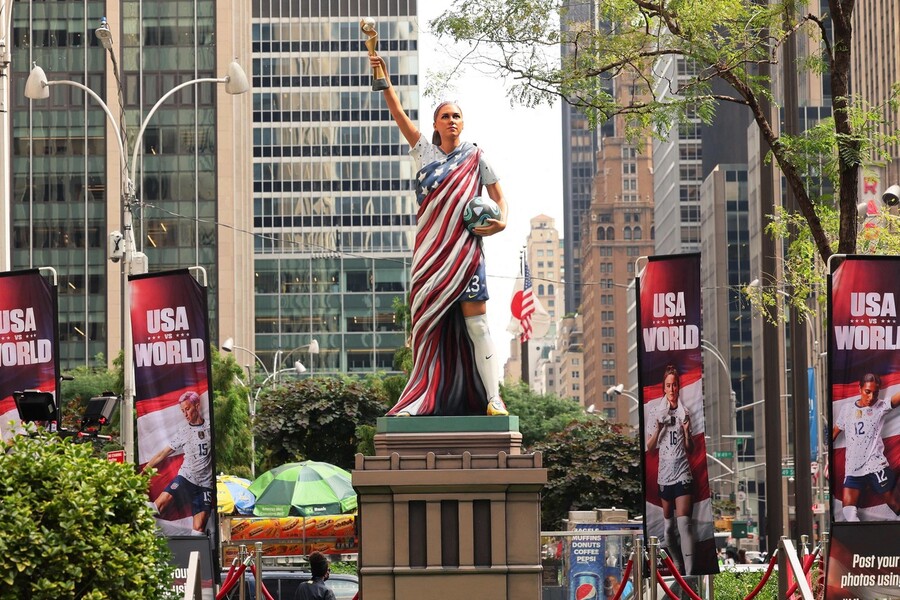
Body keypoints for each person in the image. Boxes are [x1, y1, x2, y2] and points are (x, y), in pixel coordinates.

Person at [369, 52, 508, 417]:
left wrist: (502, 222)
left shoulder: (477, 157)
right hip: (430, 258)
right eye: (445, 116)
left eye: (456, 116)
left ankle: (494, 398)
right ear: (435, 123)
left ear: (463, 123)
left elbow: (499, 198)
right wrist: (381, 74)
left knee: (477, 325)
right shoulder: (424, 154)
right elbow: (398, 111)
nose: (451, 121)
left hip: (466, 255)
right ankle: (419, 399)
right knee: (427, 329)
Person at [646, 364, 695, 575]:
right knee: (668, 531)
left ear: (678, 387)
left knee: (684, 525)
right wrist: (659, 428)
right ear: (663, 388)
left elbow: (690, 449)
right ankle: (678, 565)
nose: (672, 388)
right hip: (664, 475)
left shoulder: (686, 412)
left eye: (675, 384)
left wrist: (686, 431)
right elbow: (649, 447)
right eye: (668, 385)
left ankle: (690, 574)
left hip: (682, 473)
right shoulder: (656, 412)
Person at [142, 391, 213, 533]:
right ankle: (131, 507)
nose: (185, 414)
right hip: (186, 477)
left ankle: (194, 554)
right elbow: (163, 453)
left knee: (198, 529)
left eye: (187, 409)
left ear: (197, 406)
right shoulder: (183, 432)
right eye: (182, 411)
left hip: (205, 485)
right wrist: (145, 471)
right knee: (158, 507)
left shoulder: (211, 428)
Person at [832, 372, 900, 521]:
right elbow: (834, 434)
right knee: (848, 513)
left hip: (875, 466)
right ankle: (862, 542)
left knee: (894, 505)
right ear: (860, 388)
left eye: (875, 393)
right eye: (867, 392)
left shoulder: (880, 406)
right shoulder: (847, 409)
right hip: (853, 469)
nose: (871, 397)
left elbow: (896, 399)